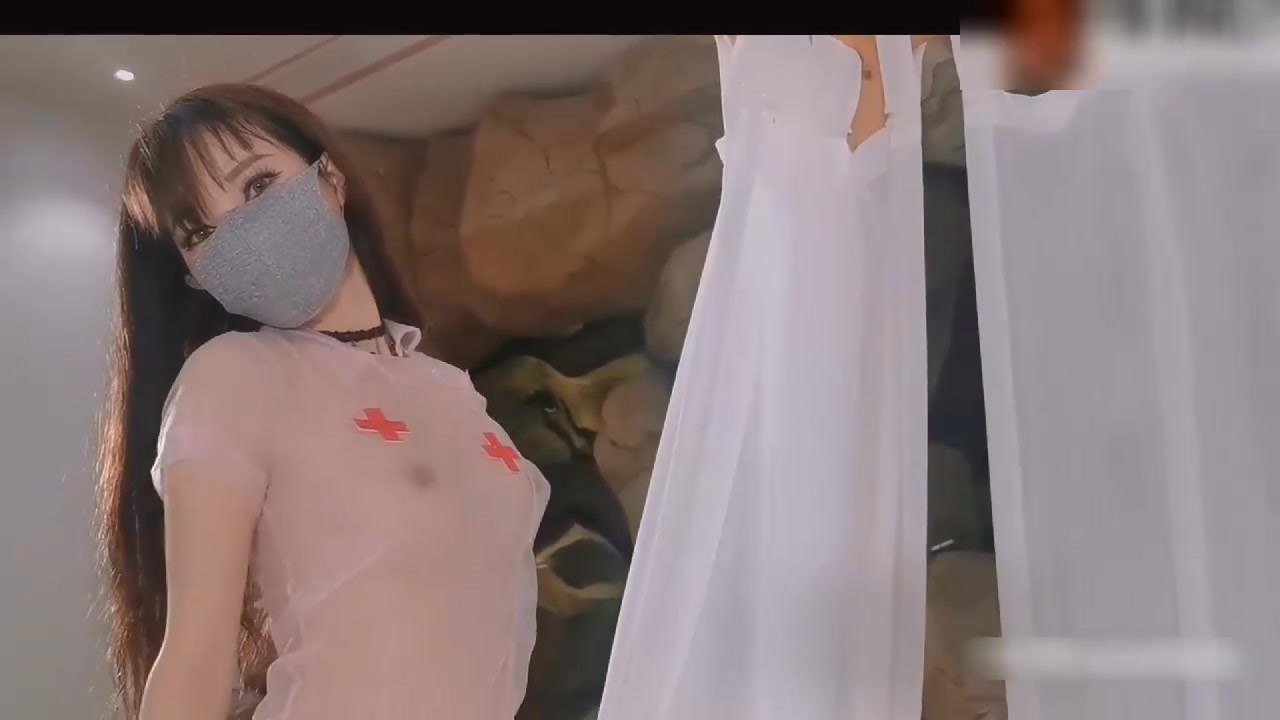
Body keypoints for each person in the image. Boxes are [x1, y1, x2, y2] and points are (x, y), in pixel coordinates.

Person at [96, 83, 550, 720]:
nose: (243, 233)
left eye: (258, 185)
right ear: (192, 275)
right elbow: (196, 660)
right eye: (199, 230)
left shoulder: (449, 388)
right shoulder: (233, 378)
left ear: (330, 178)